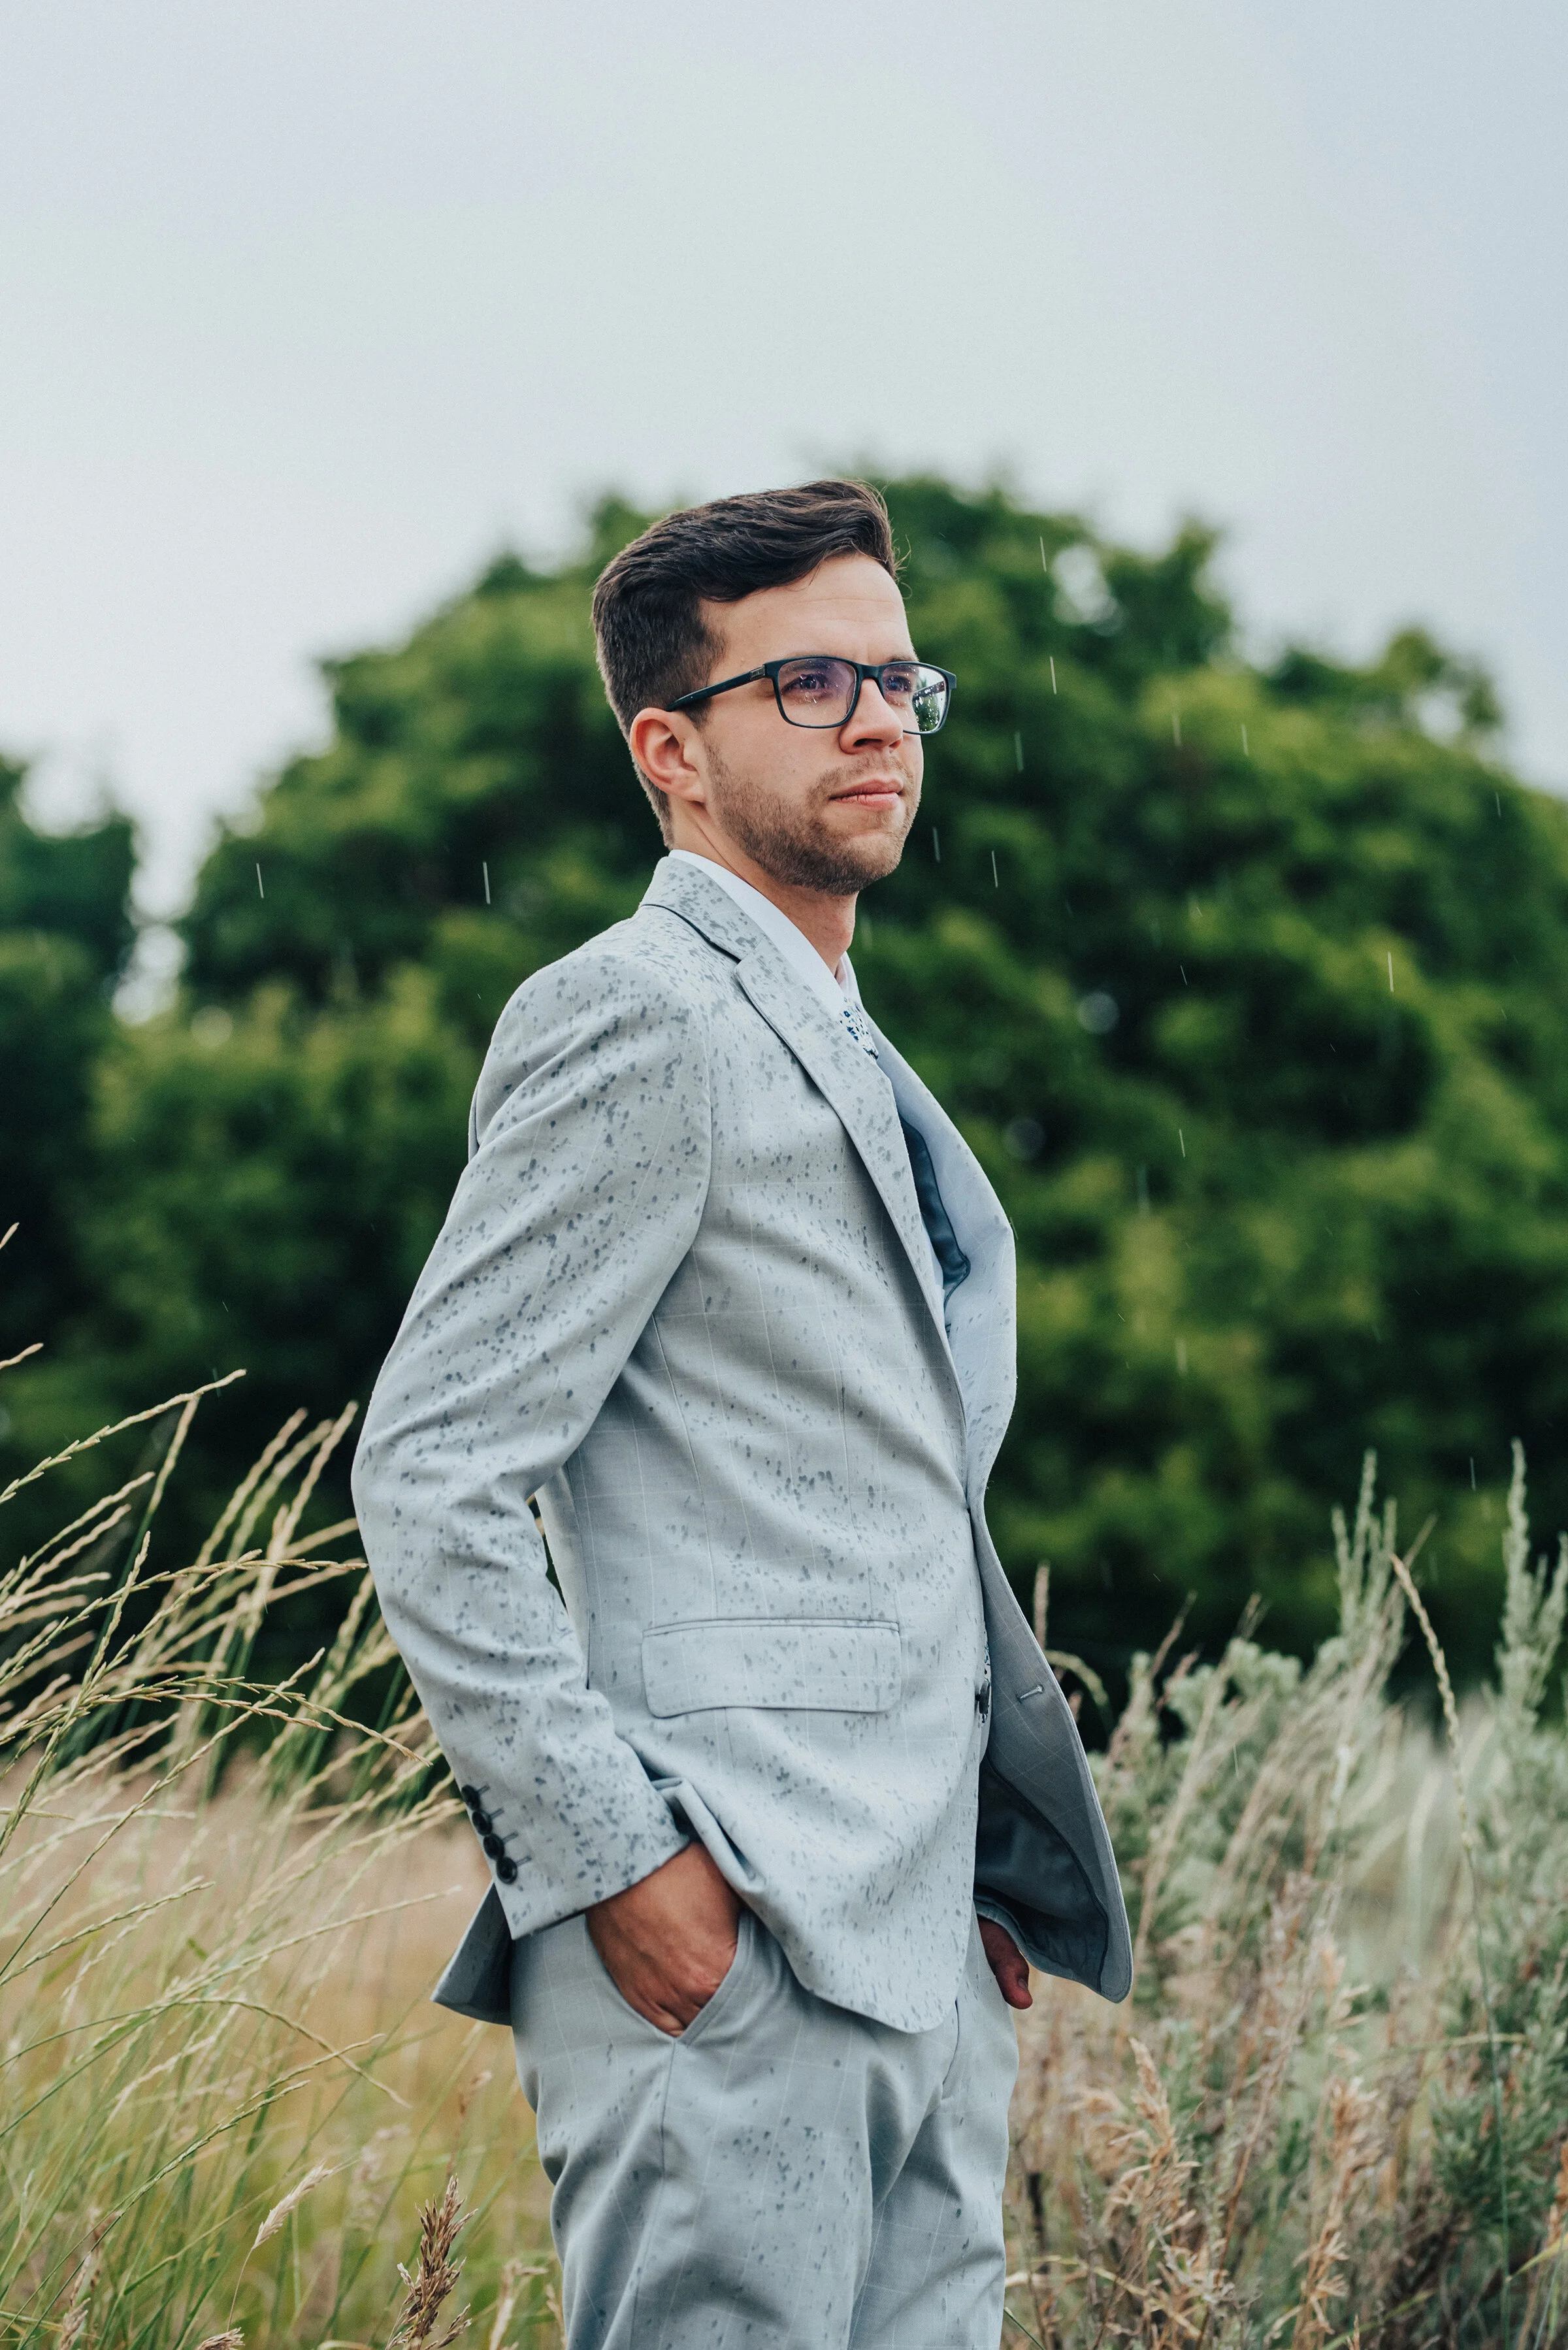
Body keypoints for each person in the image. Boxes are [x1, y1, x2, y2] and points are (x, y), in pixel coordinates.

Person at [351, 478, 1131, 2349]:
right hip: (729, 1946)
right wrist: (621, 1869)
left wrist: (963, 1882)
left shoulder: (852, 1038)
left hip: (923, 1947)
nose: (878, 720)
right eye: (809, 682)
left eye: (898, 680)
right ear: (671, 751)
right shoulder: (635, 1015)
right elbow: (434, 1472)